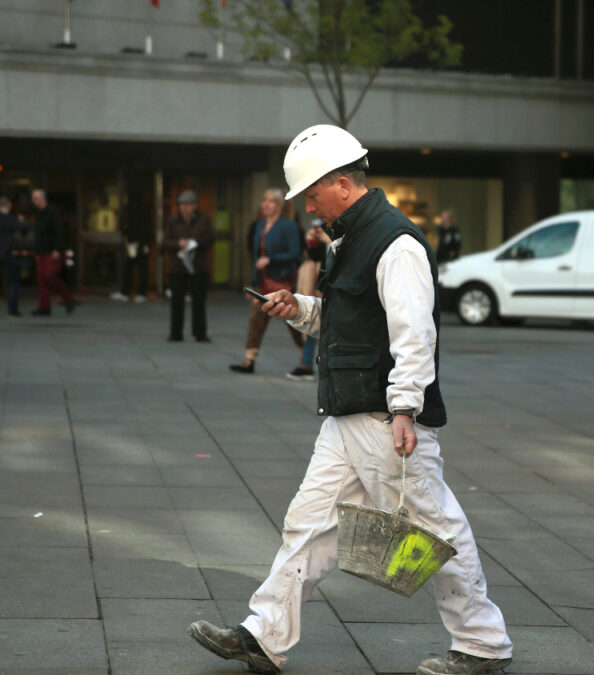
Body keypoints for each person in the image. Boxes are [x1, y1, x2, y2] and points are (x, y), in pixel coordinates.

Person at [188, 124, 513, 675]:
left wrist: (406, 407)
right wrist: (302, 310)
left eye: (311, 195)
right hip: (352, 415)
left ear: (341, 183)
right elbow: (356, 323)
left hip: (385, 417)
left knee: (435, 531)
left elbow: (414, 334)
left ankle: (483, 643)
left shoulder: (395, 243)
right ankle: (264, 634)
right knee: (307, 524)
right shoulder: (355, 238)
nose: (309, 206)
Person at [228, 188, 302, 373]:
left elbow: (295, 253)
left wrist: (271, 259)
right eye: (264, 201)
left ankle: (306, 357)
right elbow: (256, 256)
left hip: (282, 281)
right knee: (256, 320)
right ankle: (249, 360)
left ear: (279, 206)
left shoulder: (288, 225)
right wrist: (253, 282)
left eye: (270, 201)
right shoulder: (260, 225)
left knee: (293, 321)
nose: (265, 205)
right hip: (262, 282)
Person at [162, 190, 212, 342]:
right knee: (177, 301)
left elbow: (210, 238)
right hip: (179, 266)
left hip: (198, 266)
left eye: (188, 205)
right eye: (182, 205)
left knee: (199, 301)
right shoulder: (173, 221)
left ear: (195, 206)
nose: (184, 208)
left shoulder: (204, 220)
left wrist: (195, 242)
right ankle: (175, 333)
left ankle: (200, 333)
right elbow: (165, 241)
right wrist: (179, 243)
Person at [286, 218, 330, 380]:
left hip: (329, 287)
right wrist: (311, 242)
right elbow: (312, 255)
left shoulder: (339, 236)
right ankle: (306, 364)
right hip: (317, 285)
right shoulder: (322, 240)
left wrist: (331, 242)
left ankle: (308, 364)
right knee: (311, 324)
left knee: (322, 327)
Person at [29, 188, 77, 316]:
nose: (33, 200)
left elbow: (60, 231)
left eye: (36, 198)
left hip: (52, 250)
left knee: (50, 275)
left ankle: (69, 298)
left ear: (43, 198)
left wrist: (57, 248)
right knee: (41, 280)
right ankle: (44, 307)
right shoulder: (38, 213)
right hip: (40, 250)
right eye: (33, 198)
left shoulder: (53, 212)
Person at [111, 194, 153, 304]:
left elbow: (128, 227)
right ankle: (135, 292)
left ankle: (132, 292)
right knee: (135, 268)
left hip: (136, 243)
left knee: (133, 268)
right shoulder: (140, 211)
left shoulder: (134, 211)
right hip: (138, 243)